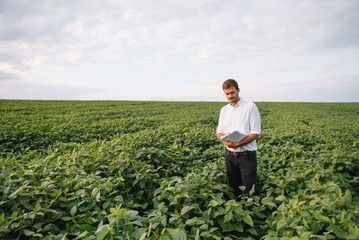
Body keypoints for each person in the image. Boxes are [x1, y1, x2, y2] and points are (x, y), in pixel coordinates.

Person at [216, 79, 261, 198]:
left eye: (232, 92)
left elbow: (255, 133)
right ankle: (237, 213)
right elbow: (219, 132)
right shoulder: (224, 110)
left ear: (238, 90)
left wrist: (238, 144)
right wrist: (223, 139)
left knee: (249, 191)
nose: (230, 96)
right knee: (234, 189)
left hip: (246, 155)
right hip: (229, 155)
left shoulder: (250, 107)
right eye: (227, 94)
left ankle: (250, 212)